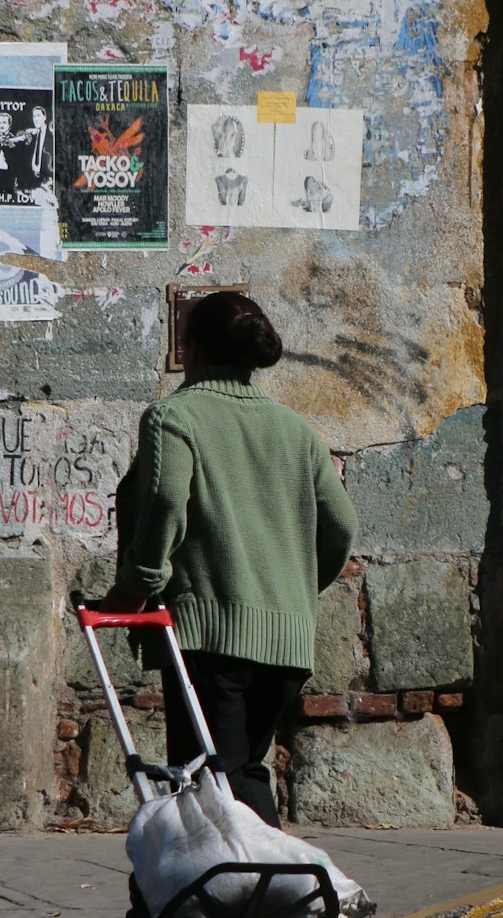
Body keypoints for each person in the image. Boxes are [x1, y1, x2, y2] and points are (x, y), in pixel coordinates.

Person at [95, 289, 357, 826]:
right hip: (287, 641)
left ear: (190, 349)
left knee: (209, 780)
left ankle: (264, 893)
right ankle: (256, 894)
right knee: (242, 770)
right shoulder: (296, 430)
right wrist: (296, 589)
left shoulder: (174, 417)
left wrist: (139, 581)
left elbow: (167, 500)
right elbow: (343, 527)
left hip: (211, 638)